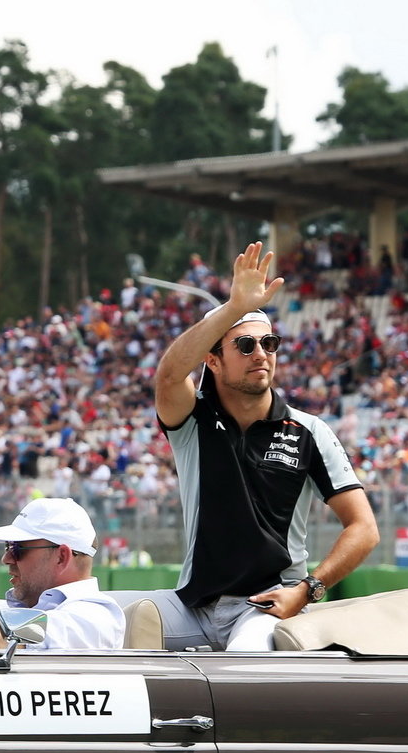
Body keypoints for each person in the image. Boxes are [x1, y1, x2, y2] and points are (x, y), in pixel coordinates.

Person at [151, 242, 379, 651]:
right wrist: (234, 307)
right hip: (191, 605)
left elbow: (363, 528)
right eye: (245, 345)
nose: (262, 353)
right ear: (214, 361)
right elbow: (169, 375)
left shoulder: (310, 430)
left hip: (268, 606)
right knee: (100, 624)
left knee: (245, 662)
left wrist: (309, 589)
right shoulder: (192, 418)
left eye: (269, 344)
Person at [0, 497, 124, 651]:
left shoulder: (94, 617)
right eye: (8, 546)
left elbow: (14, 637)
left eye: (17, 548)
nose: (6, 559)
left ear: (61, 557)